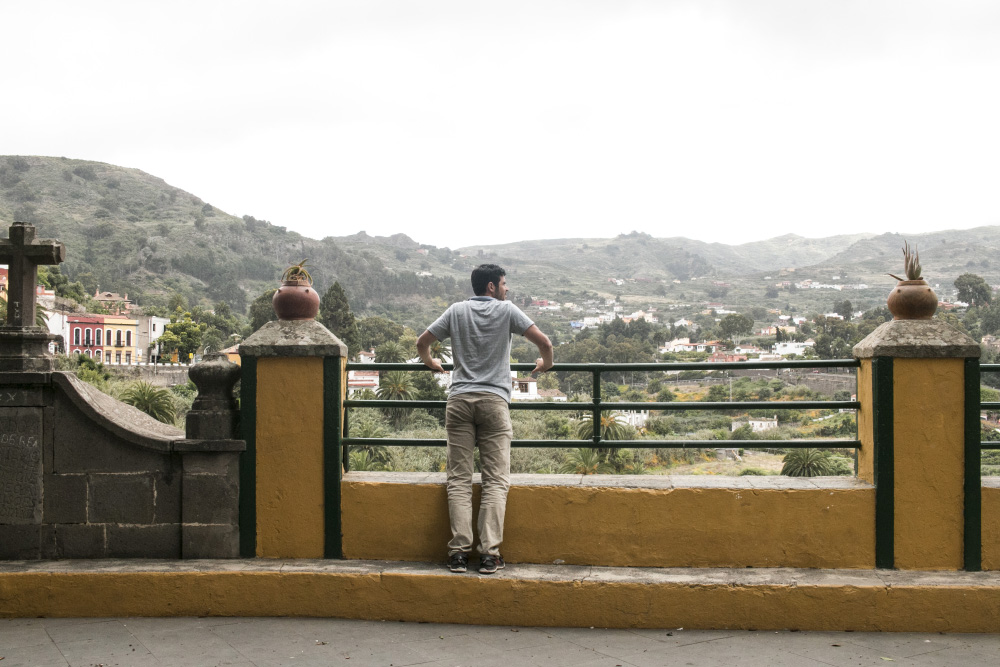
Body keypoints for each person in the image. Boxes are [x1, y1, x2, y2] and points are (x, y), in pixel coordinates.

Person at [416, 264, 553, 574]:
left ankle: (458, 554)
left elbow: (422, 342)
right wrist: (545, 364)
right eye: (504, 284)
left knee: (459, 481)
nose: (507, 290)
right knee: (495, 481)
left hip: (460, 401)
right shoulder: (507, 311)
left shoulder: (456, 311)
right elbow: (544, 343)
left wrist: (431, 363)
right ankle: (490, 554)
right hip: (493, 403)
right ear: (491, 287)